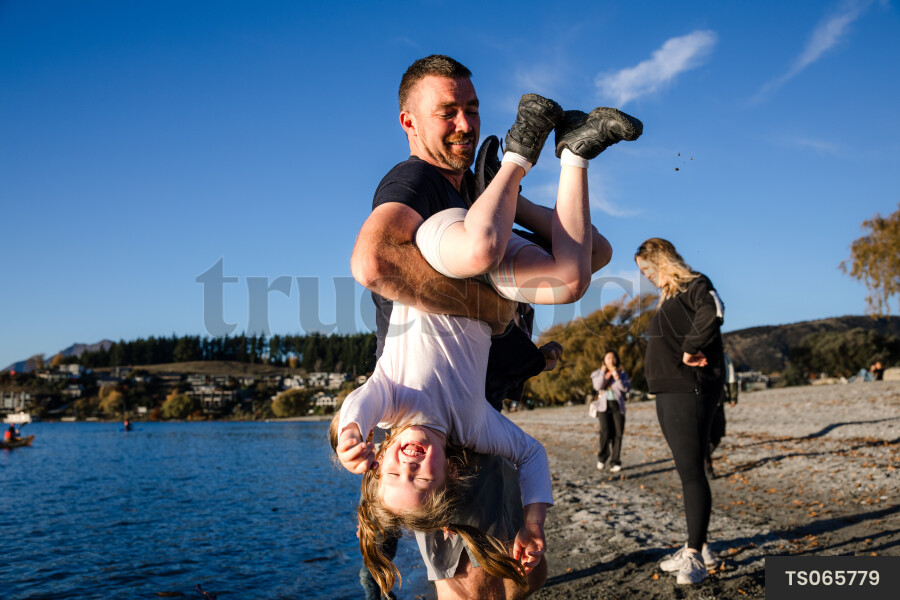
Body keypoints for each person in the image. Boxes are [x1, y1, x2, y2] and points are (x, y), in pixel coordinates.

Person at [345, 55, 638, 598]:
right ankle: (530, 152)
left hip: (465, 410)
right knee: (480, 584)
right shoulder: (415, 180)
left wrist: (508, 199)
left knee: (580, 265)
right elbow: (372, 263)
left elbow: (592, 252)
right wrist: (489, 310)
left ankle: (569, 150)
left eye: (472, 109)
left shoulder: (461, 196)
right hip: (451, 438)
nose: (464, 123)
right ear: (409, 122)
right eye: (448, 112)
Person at [635, 238, 725, 585]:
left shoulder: (695, 285)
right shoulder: (671, 296)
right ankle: (699, 548)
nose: (646, 277)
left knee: (691, 472)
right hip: (669, 390)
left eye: (647, 269)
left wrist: (691, 348)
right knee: (686, 469)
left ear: (661, 261)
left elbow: (714, 312)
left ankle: (694, 556)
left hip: (689, 387)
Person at [590, 350, 630, 473]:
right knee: (605, 432)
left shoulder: (622, 374)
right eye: (608, 358)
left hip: (617, 406)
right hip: (603, 406)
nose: (611, 360)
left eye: (613, 358)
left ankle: (615, 461)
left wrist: (616, 376)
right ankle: (602, 458)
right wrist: (604, 373)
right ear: (604, 361)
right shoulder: (597, 373)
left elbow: (625, 388)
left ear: (616, 360)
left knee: (618, 434)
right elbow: (597, 386)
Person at [706, 352, 738, 479]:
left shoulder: (723, 353)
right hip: (700, 400)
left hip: (718, 400)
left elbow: (730, 374)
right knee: (705, 436)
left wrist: (733, 395)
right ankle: (707, 467)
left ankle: (700, 457)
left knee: (718, 434)